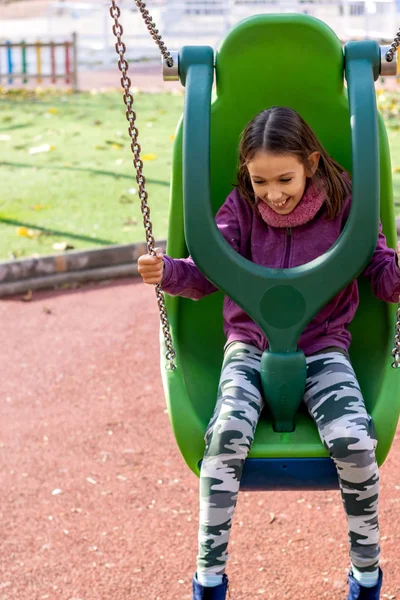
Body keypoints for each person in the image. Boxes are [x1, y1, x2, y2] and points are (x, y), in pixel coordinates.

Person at [138, 106, 400, 600]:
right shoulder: (240, 208)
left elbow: (382, 274)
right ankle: (208, 579)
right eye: (260, 181)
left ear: (313, 164)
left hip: (323, 347)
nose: (273, 194)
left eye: (285, 178)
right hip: (249, 350)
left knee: (356, 443)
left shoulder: (346, 208)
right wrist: (167, 272)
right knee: (225, 437)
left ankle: (366, 576)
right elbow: (205, 271)